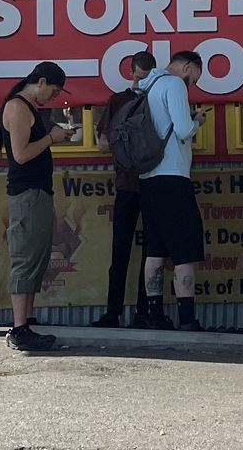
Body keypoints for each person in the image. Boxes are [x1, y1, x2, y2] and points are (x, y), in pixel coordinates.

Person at [0, 61, 68, 353]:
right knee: (25, 258)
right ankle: (19, 328)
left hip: (38, 192)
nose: (53, 97)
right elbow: (21, 154)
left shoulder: (30, 108)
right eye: (52, 91)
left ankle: (26, 319)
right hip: (26, 192)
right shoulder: (17, 107)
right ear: (40, 82)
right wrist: (50, 139)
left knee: (37, 258)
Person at [138, 50, 209, 332]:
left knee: (155, 248)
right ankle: (187, 318)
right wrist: (198, 122)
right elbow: (181, 130)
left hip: (148, 176)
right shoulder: (174, 84)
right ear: (187, 67)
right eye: (194, 78)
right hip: (173, 176)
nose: (192, 84)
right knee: (184, 248)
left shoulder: (146, 85)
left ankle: (154, 314)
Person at [91, 50, 152, 329]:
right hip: (153, 182)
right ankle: (145, 312)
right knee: (151, 253)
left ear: (131, 72)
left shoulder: (117, 100)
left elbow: (103, 144)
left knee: (121, 252)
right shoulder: (158, 98)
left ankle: (112, 313)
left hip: (126, 182)